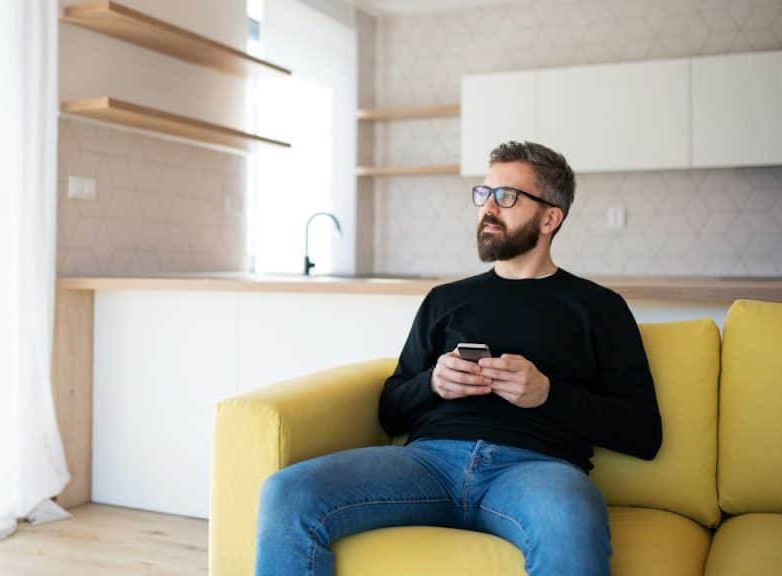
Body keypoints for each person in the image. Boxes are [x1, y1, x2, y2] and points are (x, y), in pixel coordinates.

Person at [254, 141, 663, 576]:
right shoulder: (445, 299)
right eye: (484, 193)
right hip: (427, 463)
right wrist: (432, 383)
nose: (488, 208)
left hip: (536, 470)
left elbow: (643, 433)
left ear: (550, 218)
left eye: (506, 197)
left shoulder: (600, 308)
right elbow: (390, 411)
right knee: (287, 492)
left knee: (570, 520)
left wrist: (548, 394)